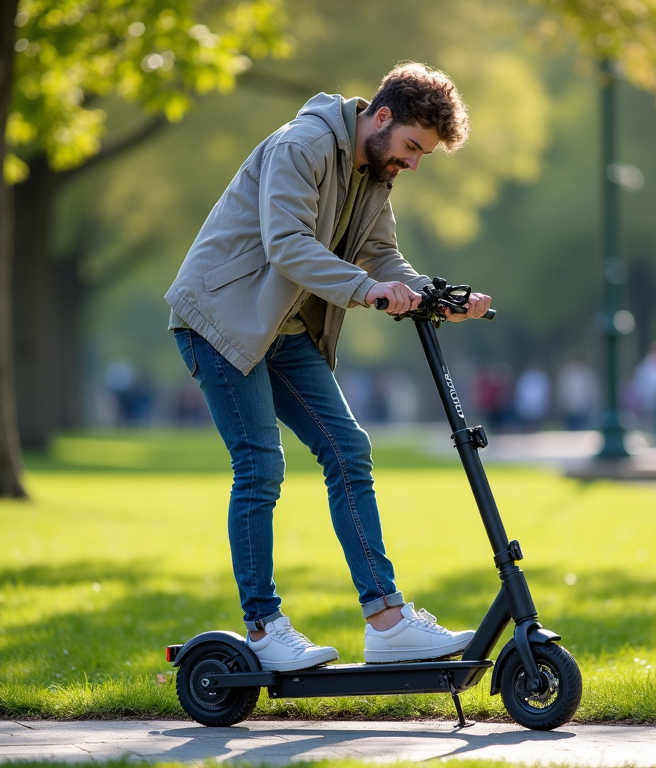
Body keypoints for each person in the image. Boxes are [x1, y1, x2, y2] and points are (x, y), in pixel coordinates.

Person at [164, 63, 492, 671]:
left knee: (349, 450)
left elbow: (382, 254)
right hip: (220, 320)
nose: (414, 163)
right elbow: (286, 244)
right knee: (260, 465)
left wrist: (439, 295)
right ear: (383, 117)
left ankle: (388, 623)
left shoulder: (374, 171)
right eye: (413, 147)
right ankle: (264, 628)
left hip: (282, 329)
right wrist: (367, 291)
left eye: (423, 155)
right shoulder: (305, 143)